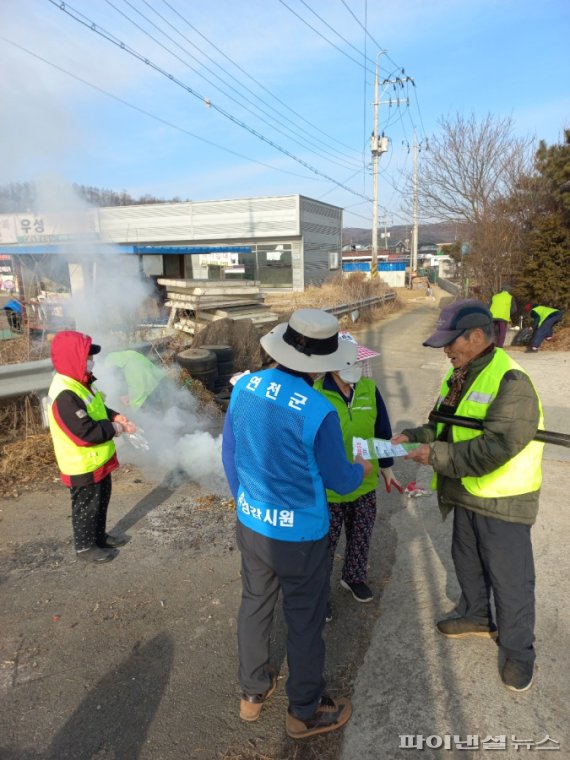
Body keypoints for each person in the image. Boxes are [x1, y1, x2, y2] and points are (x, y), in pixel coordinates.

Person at [222, 309, 373, 739]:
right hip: (302, 536)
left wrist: (245, 502)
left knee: (255, 603)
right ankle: (304, 710)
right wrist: (361, 469)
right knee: (304, 621)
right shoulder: (318, 410)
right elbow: (340, 478)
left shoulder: (245, 386)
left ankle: (252, 692)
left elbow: (230, 455)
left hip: (252, 523)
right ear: (323, 362)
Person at [392, 300, 544, 693]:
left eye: (450, 342)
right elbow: (441, 424)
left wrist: (434, 455)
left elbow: (497, 447)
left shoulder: (511, 381)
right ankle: (476, 615)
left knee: (511, 580)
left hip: (503, 497)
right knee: (468, 560)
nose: (446, 350)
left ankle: (518, 651)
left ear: (477, 337)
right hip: (464, 489)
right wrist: (414, 437)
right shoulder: (459, 374)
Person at [313, 338, 401, 616]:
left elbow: (382, 432)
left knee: (361, 535)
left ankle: (353, 577)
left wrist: (387, 469)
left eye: (360, 361)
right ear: (333, 365)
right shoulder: (316, 393)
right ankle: (318, 593)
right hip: (330, 488)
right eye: (352, 362)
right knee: (324, 546)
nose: (359, 367)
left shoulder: (369, 390)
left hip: (364, 482)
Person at [47, 331, 137, 564]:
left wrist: (115, 416)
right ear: (74, 356)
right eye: (88, 355)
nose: (92, 360)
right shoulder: (64, 394)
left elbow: (98, 409)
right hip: (82, 464)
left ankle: (99, 537)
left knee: (100, 501)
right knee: (86, 507)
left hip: (97, 460)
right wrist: (116, 429)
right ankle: (86, 547)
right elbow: (85, 433)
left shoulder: (81, 381)